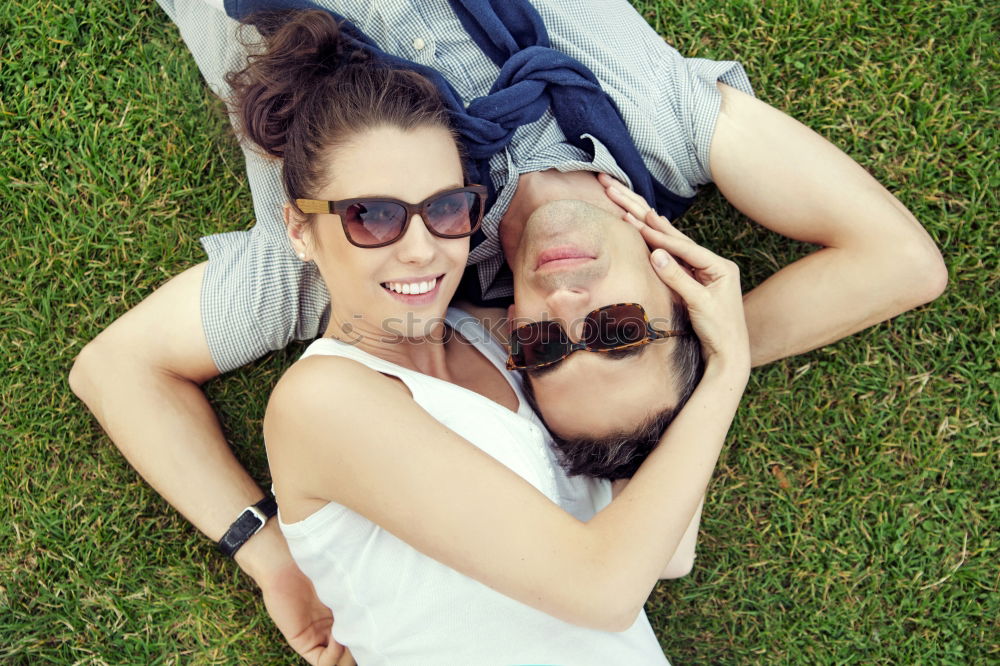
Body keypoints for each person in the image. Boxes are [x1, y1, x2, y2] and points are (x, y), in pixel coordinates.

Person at [68, 0, 947, 661]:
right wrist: (722, 350)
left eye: (545, 348)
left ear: (506, 338)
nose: (568, 311)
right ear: (678, 293)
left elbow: (118, 369)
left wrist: (271, 557)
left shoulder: (381, 269)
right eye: (620, 329)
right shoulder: (662, 127)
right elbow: (903, 262)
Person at [227, 11, 748, 663]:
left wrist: (699, 336)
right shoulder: (324, 399)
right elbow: (607, 586)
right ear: (300, 233)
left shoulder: (527, 355)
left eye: (445, 209)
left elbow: (667, 550)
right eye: (373, 217)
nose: (421, 250)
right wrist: (727, 369)